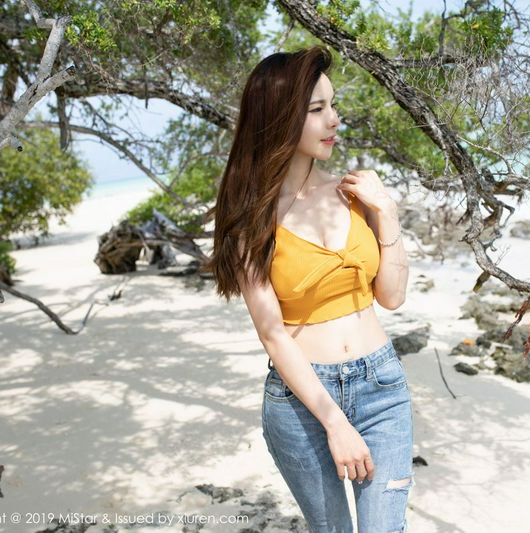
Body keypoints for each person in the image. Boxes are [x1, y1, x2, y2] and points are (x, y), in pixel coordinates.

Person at [205, 45, 414, 533]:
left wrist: (387, 212)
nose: (334, 119)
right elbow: (273, 334)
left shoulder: (352, 193)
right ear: (280, 117)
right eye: (317, 109)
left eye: (333, 105)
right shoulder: (250, 216)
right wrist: (335, 423)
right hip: (301, 402)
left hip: (382, 388)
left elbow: (392, 297)